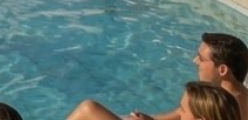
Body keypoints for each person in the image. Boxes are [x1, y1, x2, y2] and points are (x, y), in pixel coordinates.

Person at [64, 32, 248, 120]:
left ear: (222, 70)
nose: (195, 61)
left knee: (88, 109)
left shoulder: (227, 106)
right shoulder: (210, 96)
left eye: (201, 59)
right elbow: (177, 115)